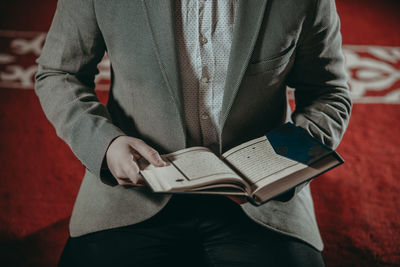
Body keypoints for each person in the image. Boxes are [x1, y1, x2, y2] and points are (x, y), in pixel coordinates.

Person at [35, 0, 352, 266]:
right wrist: (107, 145)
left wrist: (282, 165)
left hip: (261, 200)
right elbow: (59, 73)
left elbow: (328, 92)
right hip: (135, 190)